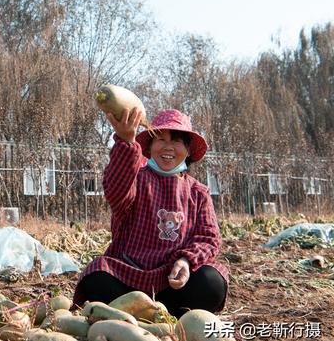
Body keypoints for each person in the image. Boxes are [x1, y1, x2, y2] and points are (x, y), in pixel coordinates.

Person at [72, 108, 228, 318]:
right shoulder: (135, 179)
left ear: (188, 150)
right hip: (129, 279)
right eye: (160, 140)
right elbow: (116, 190)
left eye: (177, 141)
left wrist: (185, 261)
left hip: (174, 282)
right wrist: (126, 142)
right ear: (150, 146)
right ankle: (134, 313)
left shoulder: (198, 192)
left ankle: (172, 317)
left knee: (212, 281)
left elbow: (208, 237)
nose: (168, 147)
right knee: (97, 277)